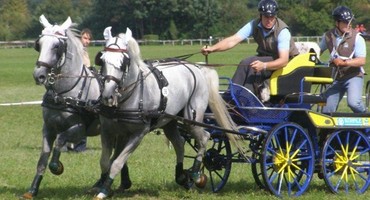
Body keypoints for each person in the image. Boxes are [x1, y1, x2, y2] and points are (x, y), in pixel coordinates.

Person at [201, 0, 299, 102]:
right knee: (249, 63)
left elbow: (283, 60)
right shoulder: (254, 24)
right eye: (266, 17)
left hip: (287, 64)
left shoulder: (282, 31)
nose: (269, 20)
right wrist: (212, 48)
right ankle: (232, 97)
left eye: (272, 17)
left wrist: (264, 66)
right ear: (260, 15)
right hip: (269, 58)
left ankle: (243, 100)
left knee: (249, 63)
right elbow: (233, 40)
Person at [319, 6, 366, 113]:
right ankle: (329, 130)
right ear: (337, 23)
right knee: (327, 109)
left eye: (349, 21)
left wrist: (343, 62)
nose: (348, 24)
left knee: (353, 103)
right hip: (335, 78)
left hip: (353, 76)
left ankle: (366, 117)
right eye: (345, 22)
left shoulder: (358, 38)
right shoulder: (328, 36)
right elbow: (317, 51)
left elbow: (361, 61)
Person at [64, 28, 93, 152]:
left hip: (84, 86)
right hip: (78, 88)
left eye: (89, 39)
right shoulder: (76, 51)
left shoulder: (84, 51)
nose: (87, 41)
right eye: (85, 38)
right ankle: (79, 145)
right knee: (81, 114)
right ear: (79, 38)